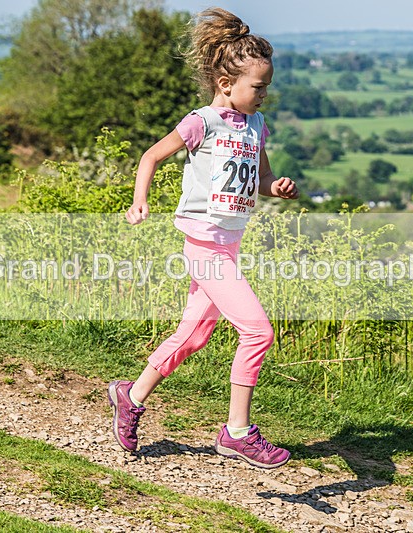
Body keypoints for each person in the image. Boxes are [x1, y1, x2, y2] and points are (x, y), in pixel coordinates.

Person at [107, 7, 298, 469]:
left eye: (267, 86)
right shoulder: (201, 122)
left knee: (194, 333)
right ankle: (236, 431)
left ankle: (129, 396)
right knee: (257, 331)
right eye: (258, 86)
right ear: (225, 83)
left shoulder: (255, 126)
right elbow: (151, 156)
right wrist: (140, 202)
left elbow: (260, 178)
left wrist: (276, 187)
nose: (263, 94)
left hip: (228, 244)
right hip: (204, 246)